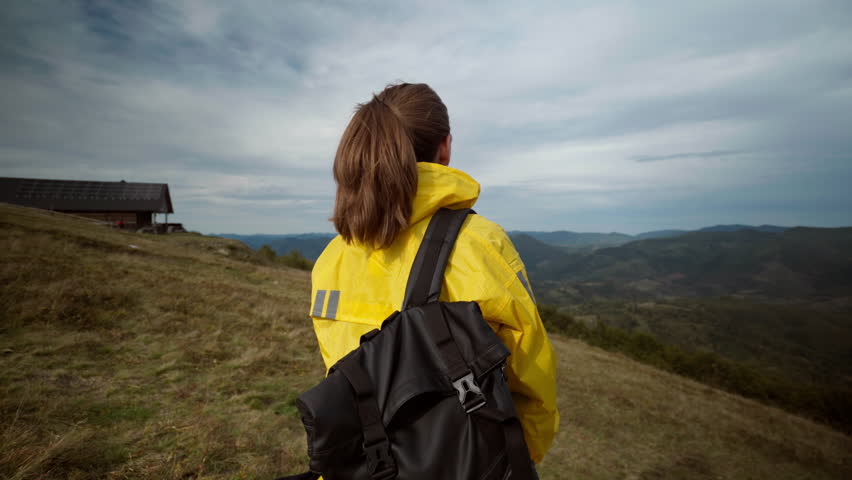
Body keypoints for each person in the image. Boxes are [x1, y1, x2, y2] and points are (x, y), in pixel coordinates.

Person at [309, 82, 559, 465]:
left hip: (364, 466)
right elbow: (531, 378)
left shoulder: (332, 257)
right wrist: (521, 458)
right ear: (445, 147)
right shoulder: (479, 244)